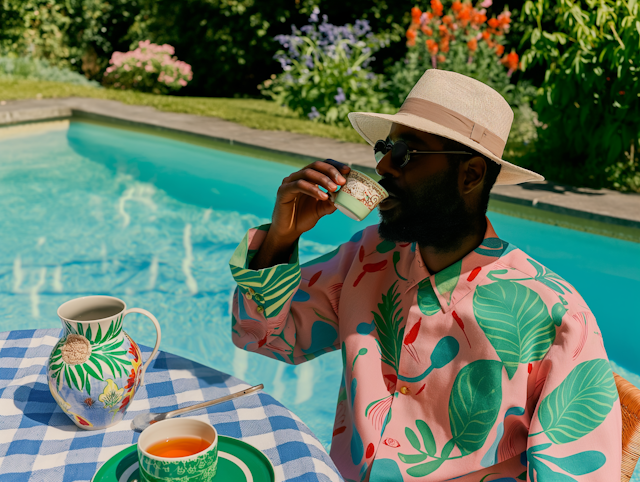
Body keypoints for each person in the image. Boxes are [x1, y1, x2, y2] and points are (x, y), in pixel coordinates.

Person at [228, 69, 621, 481]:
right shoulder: (366, 258)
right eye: (384, 147)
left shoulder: (556, 317)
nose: (382, 165)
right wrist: (280, 237)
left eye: (404, 153)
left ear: (470, 175)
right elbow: (264, 336)